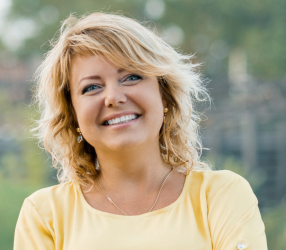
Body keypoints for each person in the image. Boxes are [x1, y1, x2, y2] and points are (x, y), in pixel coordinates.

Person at [14, 12, 267, 250]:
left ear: (164, 96)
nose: (113, 97)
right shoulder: (44, 215)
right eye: (91, 87)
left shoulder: (222, 196)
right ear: (73, 115)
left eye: (132, 77)